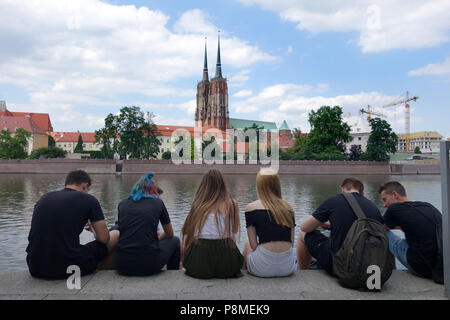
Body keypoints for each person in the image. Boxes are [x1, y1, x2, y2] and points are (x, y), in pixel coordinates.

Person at [26, 170, 119, 279]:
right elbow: (104, 239)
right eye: (88, 190)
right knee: (117, 233)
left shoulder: (44, 198)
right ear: (85, 186)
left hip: (35, 267)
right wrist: (93, 229)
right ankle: (100, 270)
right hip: (67, 267)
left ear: (67, 184)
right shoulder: (89, 200)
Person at [296, 178, 384, 276]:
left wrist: (321, 223)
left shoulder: (334, 200)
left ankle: (302, 274)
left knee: (302, 234)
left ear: (342, 189)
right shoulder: (373, 207)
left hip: (341, 266)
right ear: (362, 192)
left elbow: (304, 227)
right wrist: (332, 225)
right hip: (368, 266)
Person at [181, 169, 243, 279]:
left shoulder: (197, 204)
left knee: (186, 243)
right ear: (223, 185)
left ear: (203, 186)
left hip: (199, 267)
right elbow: (234, 230)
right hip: (228, 267)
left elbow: (185, 231)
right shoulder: (232, 204)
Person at [114, 172, 180, 276]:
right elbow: (169, 234)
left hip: (122, 265)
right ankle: (173, 276)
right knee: (175, 240)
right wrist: (157, 238)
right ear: (153, 191)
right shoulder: (158, 203)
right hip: (149, 265)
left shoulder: (122, 204)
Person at [379, 181, 442, 279]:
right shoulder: (428, 206)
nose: (384, 205)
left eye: (385, 199)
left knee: (382, 232)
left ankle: (387, 269)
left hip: (420, 267)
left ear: (395, 194)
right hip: (440, 266)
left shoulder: (394, 208)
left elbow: (380, 227)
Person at [242, 167, 297, 277]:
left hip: (261, 269)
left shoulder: (251, 208)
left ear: (259, 186)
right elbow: (291, 242)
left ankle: (243, 272)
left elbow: (253, 246)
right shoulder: (288, 208)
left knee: (248, 240)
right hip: (287, 268)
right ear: (277, 185)